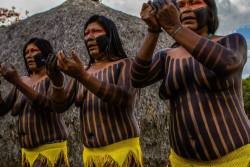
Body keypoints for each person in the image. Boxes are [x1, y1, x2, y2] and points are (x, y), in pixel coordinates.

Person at [131, 0, 250, 166]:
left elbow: (228, 63)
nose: (186, 10)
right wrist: (153, 30)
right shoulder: (167, 55)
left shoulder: (231, 42)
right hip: (182, 161)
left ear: (210, 12)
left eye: (194, 3)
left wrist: (175, 28)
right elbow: (137, 78)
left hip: (233, 159)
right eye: (181, 5)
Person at [51, 15, 143, 166]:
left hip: (121, 154)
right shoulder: (83, 72)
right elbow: (60, 106)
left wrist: (82, 75)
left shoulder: (126, 64)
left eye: (95, 31)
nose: (89, 37)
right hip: (90, 156)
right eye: (86, 33)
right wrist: (56, 82)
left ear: (110, 35)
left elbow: (125, 98)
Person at [0, 38, 70, 167]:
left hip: (50, 152)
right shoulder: (23, 80)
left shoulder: (54, 78)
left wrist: (17, 82)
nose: (29, 55)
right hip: (28, 154)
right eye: (26, 52)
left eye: (33, 51)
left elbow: (51, 105)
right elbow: (2, 109)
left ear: (45, 54)